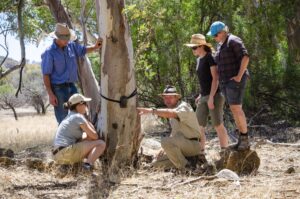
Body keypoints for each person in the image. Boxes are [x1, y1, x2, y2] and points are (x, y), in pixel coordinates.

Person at [41, 23, 102, 124]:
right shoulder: (49, 52)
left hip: (72, 87)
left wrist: (95, 47)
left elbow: (83, 50)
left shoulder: (72, 46)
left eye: (67, 38)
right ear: (57, 38)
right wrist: (51, 94)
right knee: (63, 119)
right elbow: (46, 74)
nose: (66, 40)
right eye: (64, 38)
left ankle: (80, 139)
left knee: (80, 115)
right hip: (58, 89)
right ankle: (65, 139)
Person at [137, 85, 203, 170]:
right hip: (183, 147)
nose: (167, 100)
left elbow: (172, 113)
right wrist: (163, 149)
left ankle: (186, 168)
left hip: (193, 145)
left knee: (165, 141)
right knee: (156, 164)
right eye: (165, 98)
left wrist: (152, 111)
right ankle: (190, 161)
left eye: (170, 97)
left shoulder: (184, 106)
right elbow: (174, 134)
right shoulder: (173, 111)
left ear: (177, 98)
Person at [207, 21, 250, 151]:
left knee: (236, 109)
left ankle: (245, 140)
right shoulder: (221, 45)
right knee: (234, 109)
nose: (214, 38)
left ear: (222, 32)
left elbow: (245, 57)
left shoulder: (233, 40)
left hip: (234, 81)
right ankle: (241, 140)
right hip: (226, 83)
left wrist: (238, 76)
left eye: (215, 35)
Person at [184, 34, 229, 154]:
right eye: (192, 47)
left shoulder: (210, 58)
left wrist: (211, 97)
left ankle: (224, 152)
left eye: (194, 47)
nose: (193, 50)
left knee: (218, 124)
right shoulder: (199, 60)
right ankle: (201, 153)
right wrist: (201, 95)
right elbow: (204, 80)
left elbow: (215, 78)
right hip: (204, 96)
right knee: (199, 126)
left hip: (215, 96)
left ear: (202, 46)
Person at [52, 93, 106, 170]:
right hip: (65, 152)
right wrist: (88, 118)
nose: (86, 106)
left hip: (58, 154)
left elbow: (87, 138)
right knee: (101, 143)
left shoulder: (71, 116)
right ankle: (87, 167)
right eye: (85, 103)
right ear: (79, 105)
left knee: (89, 140)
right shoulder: (78, 117)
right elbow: (95, 136)